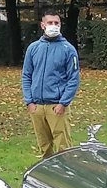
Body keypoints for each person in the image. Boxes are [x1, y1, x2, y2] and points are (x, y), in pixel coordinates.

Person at [21, 12, 81, 159]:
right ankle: (46, 175)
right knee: (44, 145)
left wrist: (63, 103)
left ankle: (66, 173)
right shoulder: (33, 48)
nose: (53, 26)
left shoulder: (68, 49)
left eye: (56, 23)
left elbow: (73, 79)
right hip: (37, 106)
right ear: (43, 25)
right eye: (50, 23)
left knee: (63, 145)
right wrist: (29, 102)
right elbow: (26, 75)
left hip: (57, 106)